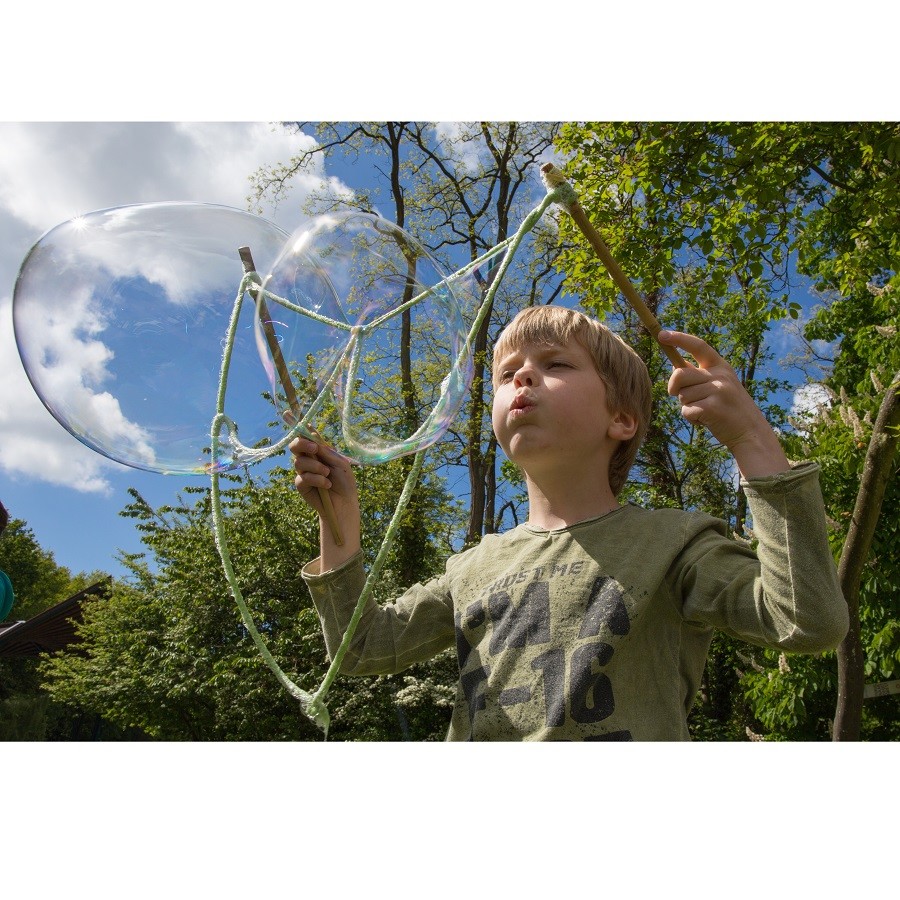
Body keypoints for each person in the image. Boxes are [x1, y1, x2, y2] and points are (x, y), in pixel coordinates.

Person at [290, 306, 848, 740]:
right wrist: (340, 531)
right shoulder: (472, 567)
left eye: (555, 364)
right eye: (507, 375)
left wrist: (752, 441)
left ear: (623, 419)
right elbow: (361, 650)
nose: (524, 378)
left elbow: (805, 619)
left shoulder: (675, 543)